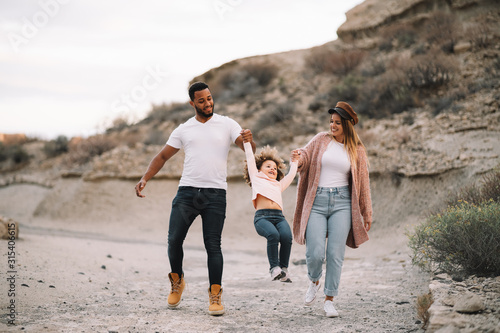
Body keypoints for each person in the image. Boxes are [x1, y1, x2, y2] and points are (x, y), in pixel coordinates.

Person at [135, 81, 256, 316]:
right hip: (187, 192)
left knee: (213, 245)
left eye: (209, 98)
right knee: (173, 240)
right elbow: (162, 157)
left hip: (215, 193)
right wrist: (145, 177)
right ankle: (177, 280)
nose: (208, 103)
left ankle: (215, 294)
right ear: (192, 103)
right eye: (201, 100)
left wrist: (249, 139)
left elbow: (247, 148)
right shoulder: (184, 129)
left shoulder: (227, 124)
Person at [292, 101, 372, 318]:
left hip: (343, 203)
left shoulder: (357, 150)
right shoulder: (320, 140)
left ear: (347, 125)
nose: (332, 125)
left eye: (337, 122)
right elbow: (306, 156)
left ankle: (329, 299)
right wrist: (299, 158)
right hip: (316, 202)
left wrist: (367, 212)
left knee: (335, 254)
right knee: (315, 252)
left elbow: (363, 183)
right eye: (331, 121)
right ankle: (314, 279)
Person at [243, 139, 299, 282]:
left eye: (274, 168)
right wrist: (246, 142)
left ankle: (284, 269)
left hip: (279, 217)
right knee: (273, 235)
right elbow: (250, 157)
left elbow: (292, 174)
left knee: (287, 237)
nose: (272, 169)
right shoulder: (256, 178)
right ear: (259, 169)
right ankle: (274, 268)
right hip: (262, 218)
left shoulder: (278, 185)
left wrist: (295, 161)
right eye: (268, 166)